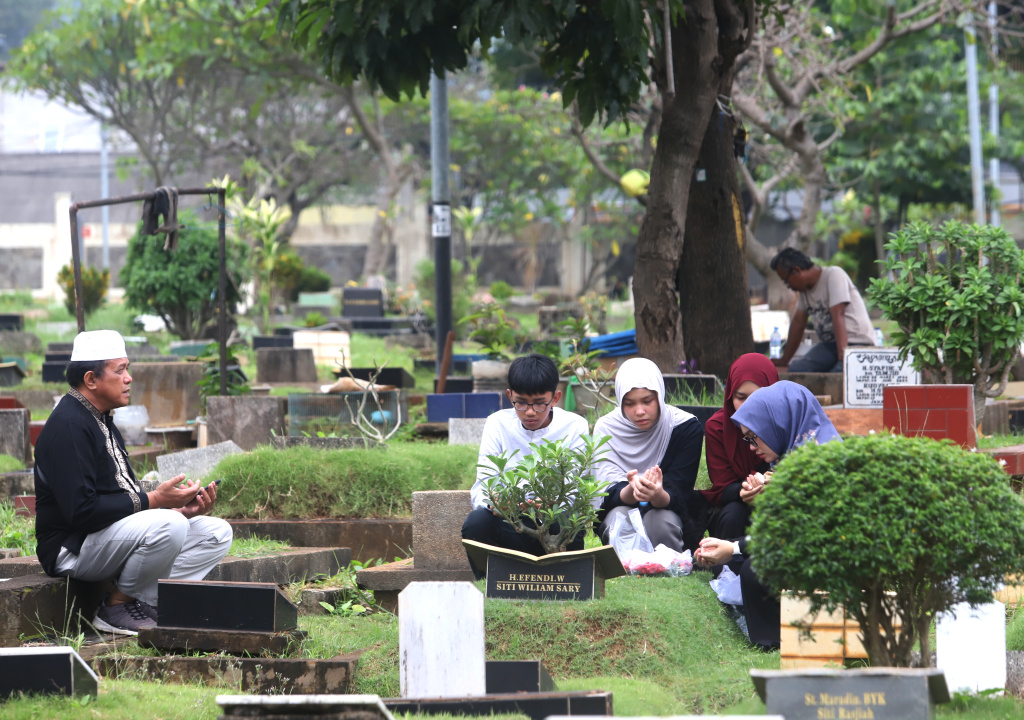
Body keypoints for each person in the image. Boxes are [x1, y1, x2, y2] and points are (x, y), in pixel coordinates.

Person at [34, 330, 232, 636]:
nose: (129, 378)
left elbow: (118, 498)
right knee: (169, 524)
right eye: (120, 370)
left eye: (128, 369)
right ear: (91, 379)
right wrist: (155, 503)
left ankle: (149, 604)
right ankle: (116, 607)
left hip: (105, 539)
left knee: (216, 532)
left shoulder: (100, 418)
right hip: (72, 548)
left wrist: (179, 511)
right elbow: (82, 512)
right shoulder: (69, 427)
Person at [695, 380, 841, 651]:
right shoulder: (798, 456)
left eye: (753, 437)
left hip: (832, 562)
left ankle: (777, 642)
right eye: (746, 439)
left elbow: (797, 535)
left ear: (780, 423)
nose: (751, 448)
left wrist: (734, 548)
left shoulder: (818, 463)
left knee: (757, 569)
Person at [461, 353, 590, 576]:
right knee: (477, 522)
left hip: (553, 524)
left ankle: (568, 584)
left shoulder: (575, 426)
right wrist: (495, 503)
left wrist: (550, 504)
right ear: (509, 395)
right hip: (510, 523)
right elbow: (483, 483)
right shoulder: (497, 423)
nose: (530, 412)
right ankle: (490, 585)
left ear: (555, 398)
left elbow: (575, 488)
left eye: (540, 403)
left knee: (570, 522)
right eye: (520, 402)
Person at [593, 358, 705, 553]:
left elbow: (681, 491)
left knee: (661, 522)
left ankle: (669, 567)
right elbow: (605, 493)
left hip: (668, 508)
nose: (639, 411)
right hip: (622, 503)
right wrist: (631, 490)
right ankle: (623, 570)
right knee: (619, 518)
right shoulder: (607, 428)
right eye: (629, 403)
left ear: (659, 395)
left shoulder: (684, 427)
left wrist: (657, 494)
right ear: (620, 401)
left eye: (647, 401)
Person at [700, 353, 779, 542]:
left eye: (758, 397)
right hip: (737, 501)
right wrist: (745, 491)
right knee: (734, 514)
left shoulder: (785, 423)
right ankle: (726, 567)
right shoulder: (718, 427)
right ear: (729, 396)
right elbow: (722, 486)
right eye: (740, 397)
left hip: (779, 497)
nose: (748, 406)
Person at [770, 248, 876, 372]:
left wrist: (843, 359)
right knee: (798, 370)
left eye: (786, 281)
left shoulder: (834, 275)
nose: (789, 286)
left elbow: (838, 314)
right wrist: (785, 359)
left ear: (796, 271)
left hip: (855, 343)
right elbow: (798, 323)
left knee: (837, 375)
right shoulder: (804, 290)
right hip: (829, 346)